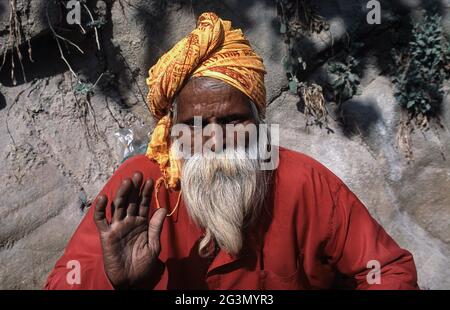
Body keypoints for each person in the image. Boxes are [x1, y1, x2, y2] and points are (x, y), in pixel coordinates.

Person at [45, 12, 418, 290]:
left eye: (232, 121)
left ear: (258, 121)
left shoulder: (304, 182)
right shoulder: (141, 185)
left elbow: (389, 271)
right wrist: (111, 281)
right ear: (172, 128)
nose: (214, 138)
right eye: (194, 124)